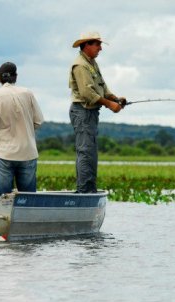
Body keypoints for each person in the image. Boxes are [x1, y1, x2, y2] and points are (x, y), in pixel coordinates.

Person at [69, 31, 126, 193]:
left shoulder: (92, 63)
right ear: (86, 45)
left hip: (91, 114)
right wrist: (109, 105)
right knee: (85, 152)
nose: (100, 48)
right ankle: (84, 192)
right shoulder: (80, 65)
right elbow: (87, 94)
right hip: (82, 112)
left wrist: (115, 99)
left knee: (91, 154)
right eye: (97, 44)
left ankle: (89, 190)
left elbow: (102, 88)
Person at [0, 62, 44, 195]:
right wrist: (27, 129)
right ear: (15, 77)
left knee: (4, 200)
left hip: (4, 153)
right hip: (28, 152)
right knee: (28, 199)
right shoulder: (27, 93)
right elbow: (39, 120)